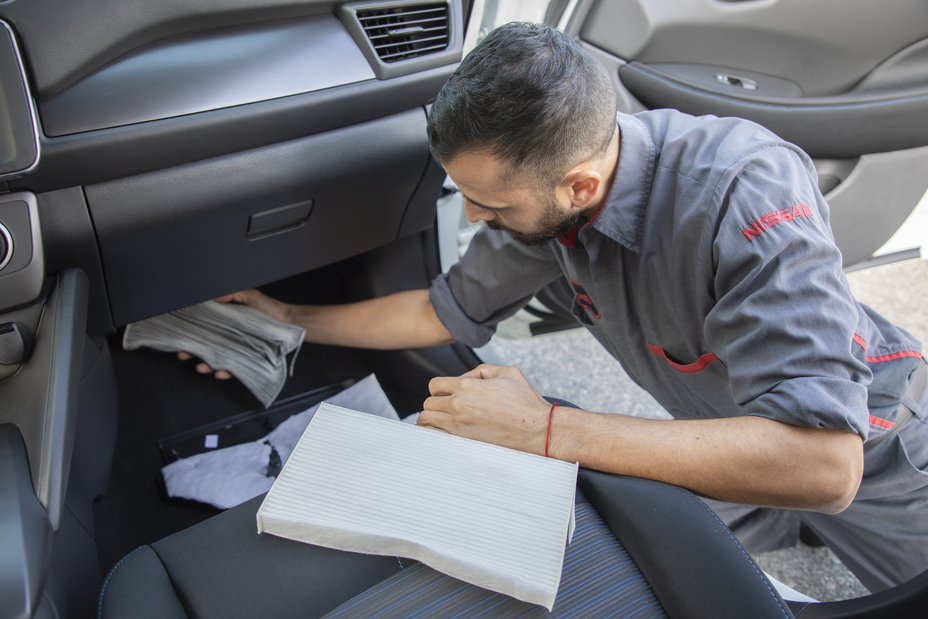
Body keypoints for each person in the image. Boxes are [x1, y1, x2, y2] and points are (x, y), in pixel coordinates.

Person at [187, 22, 928, 593]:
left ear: (578, 184)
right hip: (721, 441)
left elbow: (826, 464)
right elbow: (440, 314)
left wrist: (543, 427)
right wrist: (286, 316)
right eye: (465, 195)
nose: (474, 218)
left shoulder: (745, 189)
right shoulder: (549, 208)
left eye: (489, 203)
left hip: (887, 452)